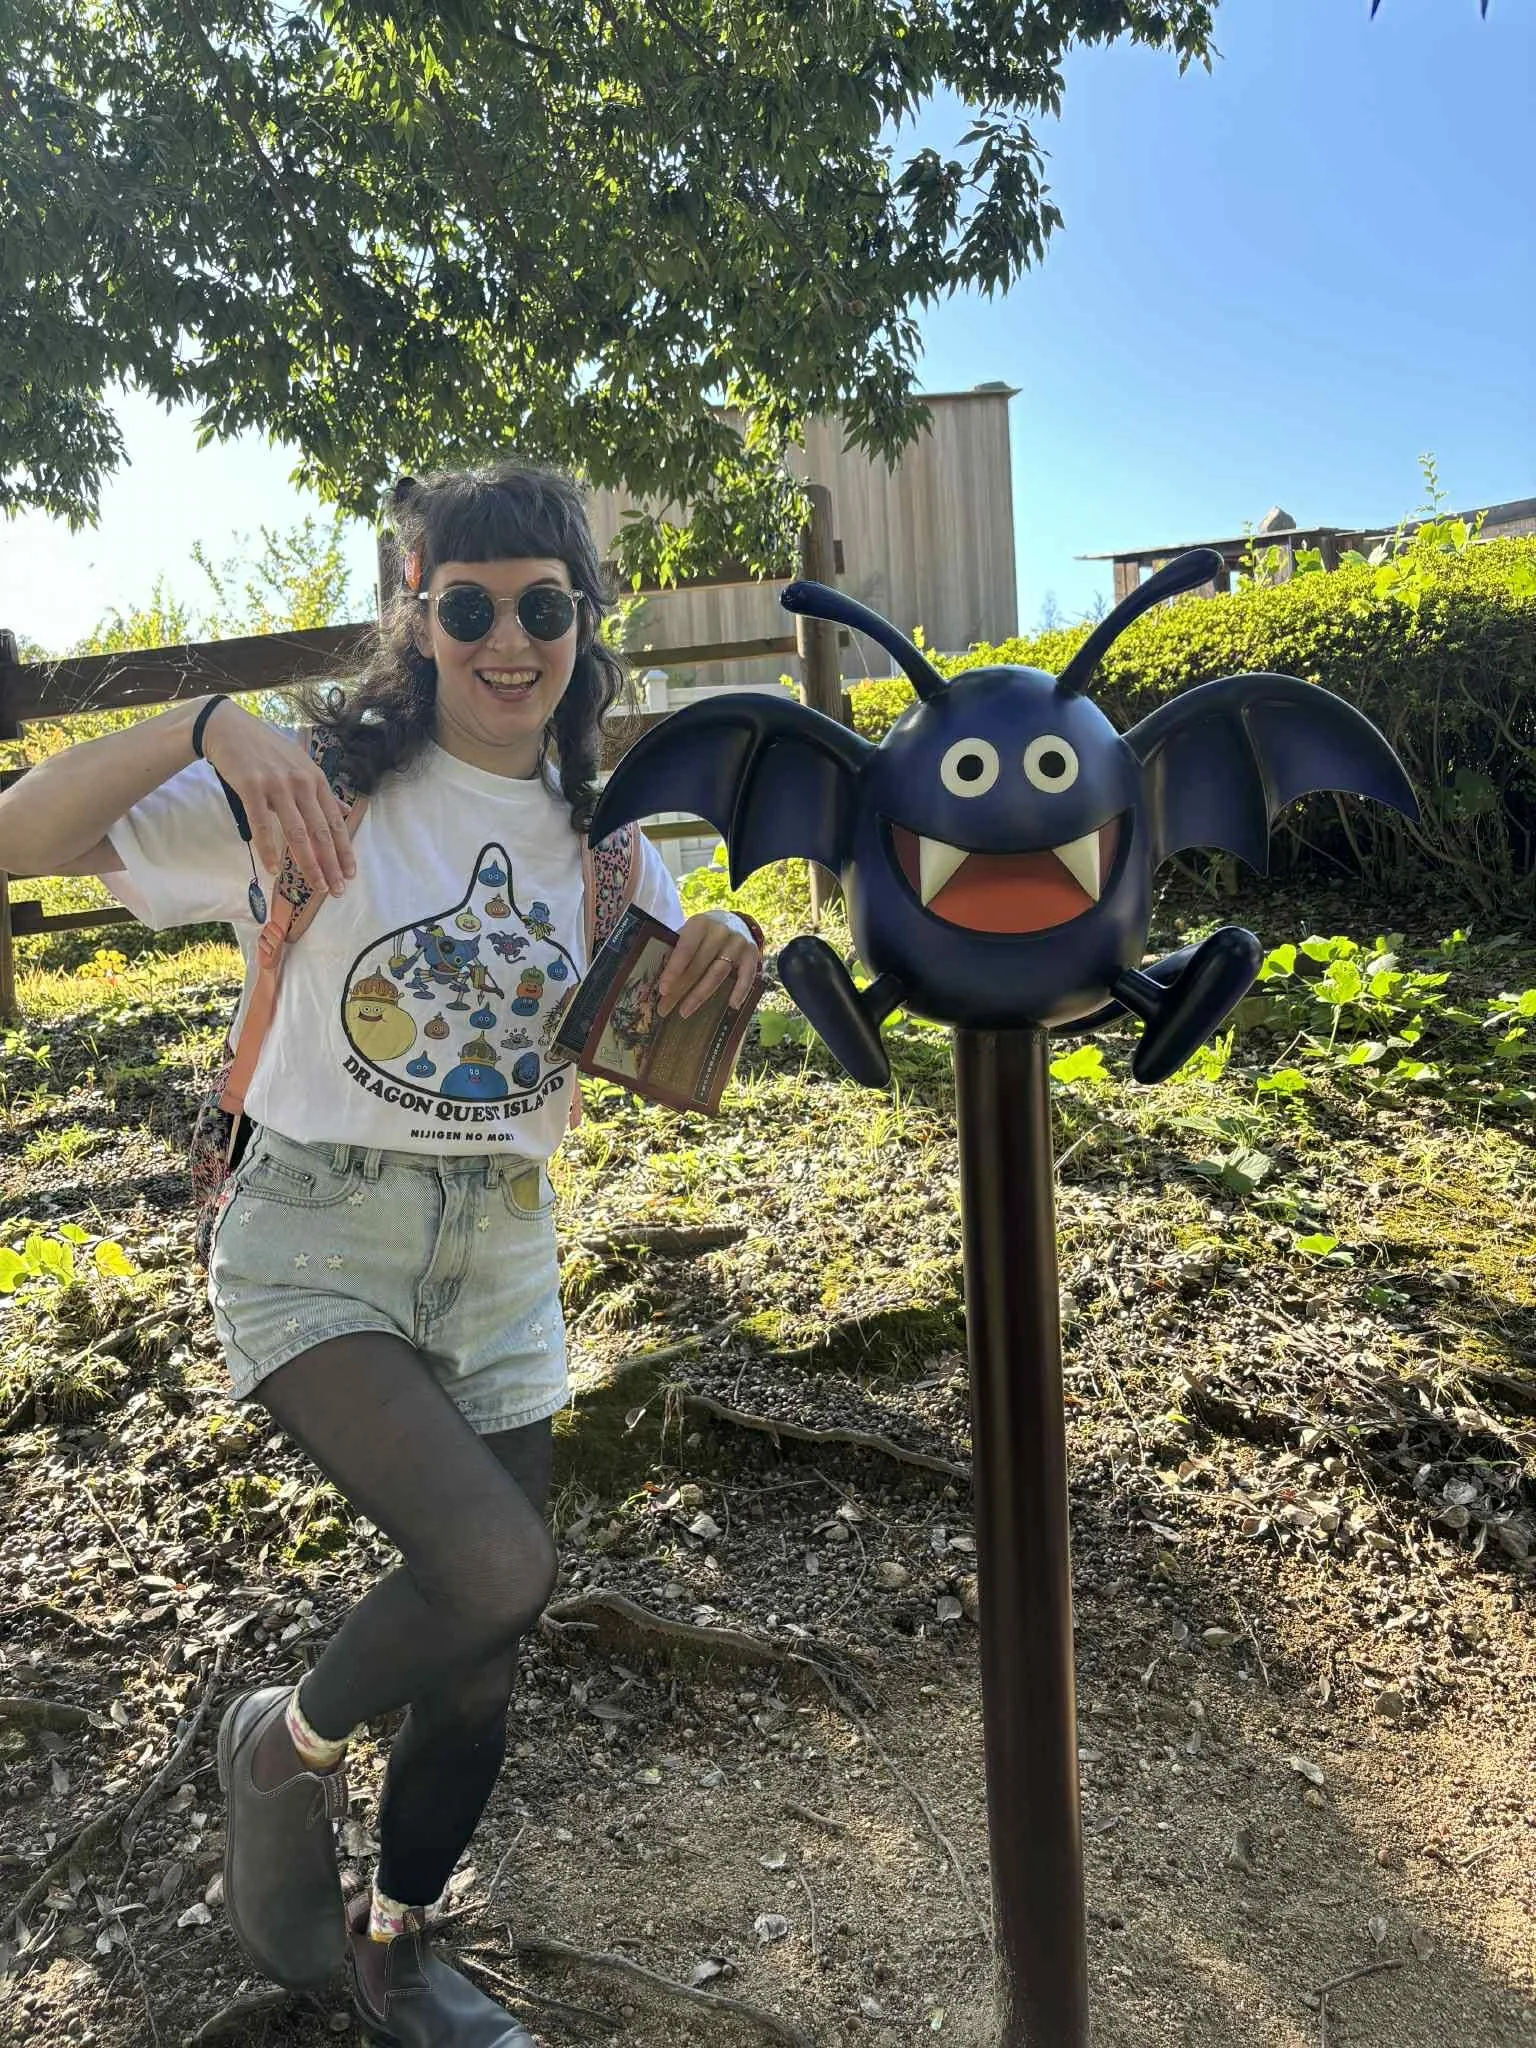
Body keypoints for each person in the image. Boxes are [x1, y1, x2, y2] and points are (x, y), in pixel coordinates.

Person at [0, 463, 762, 2046]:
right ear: (414, 611)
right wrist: (206, 724)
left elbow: (666, 1023)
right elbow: (15, 842)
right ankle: (280, 1743)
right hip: (314, 1236)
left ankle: (397, 1939)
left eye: (541, 607)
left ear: (580, 626)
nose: (507, 639)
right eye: (467, 603)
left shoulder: (607, 842)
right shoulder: (307, 789)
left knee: (488, 1645)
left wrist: (725, 956)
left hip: (500, 1252)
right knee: (494, 1563)